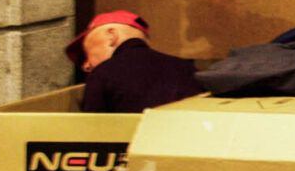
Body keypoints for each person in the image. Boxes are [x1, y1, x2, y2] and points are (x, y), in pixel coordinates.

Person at [67, 10, 202, 114]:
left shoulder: (103, 74)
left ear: (111, 36)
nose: (86, 65)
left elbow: (90, 134)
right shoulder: (188, 69)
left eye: (87, 52)